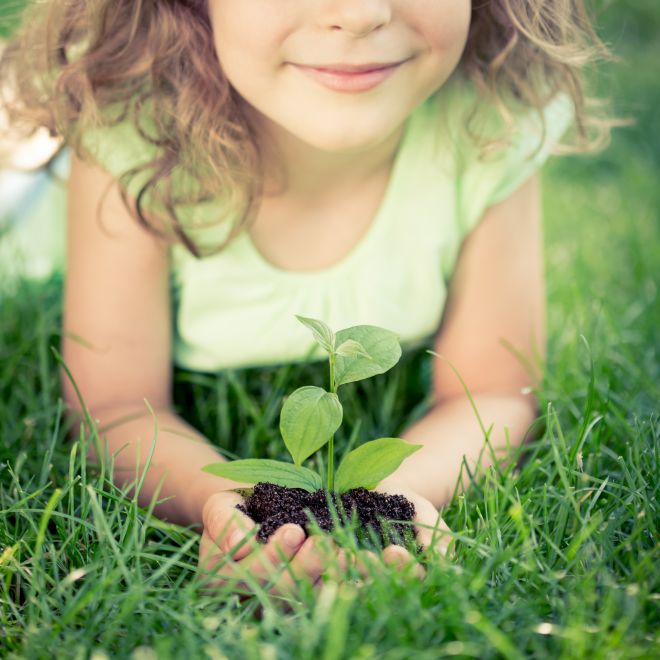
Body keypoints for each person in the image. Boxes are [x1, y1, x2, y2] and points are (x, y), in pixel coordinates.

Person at [0, 0, 613, 596]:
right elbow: (113, 406)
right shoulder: (132, 129)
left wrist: (380, 507)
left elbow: (496, 392)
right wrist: (229, 512)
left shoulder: (494, 121)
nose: (361, 12)